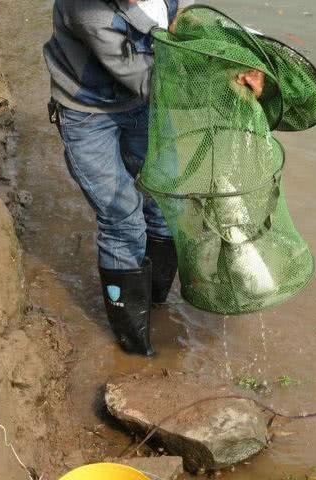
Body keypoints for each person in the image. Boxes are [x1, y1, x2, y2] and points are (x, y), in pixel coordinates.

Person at [43, 0, 264, 356]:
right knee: (122, 218)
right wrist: (224, 83)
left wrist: (238, 60)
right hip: (87, 113)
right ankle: (133, 346)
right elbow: (151, 81)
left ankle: (154, 305)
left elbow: (179, 23)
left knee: (165, 201)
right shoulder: (88, 10)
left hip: (142, 107)